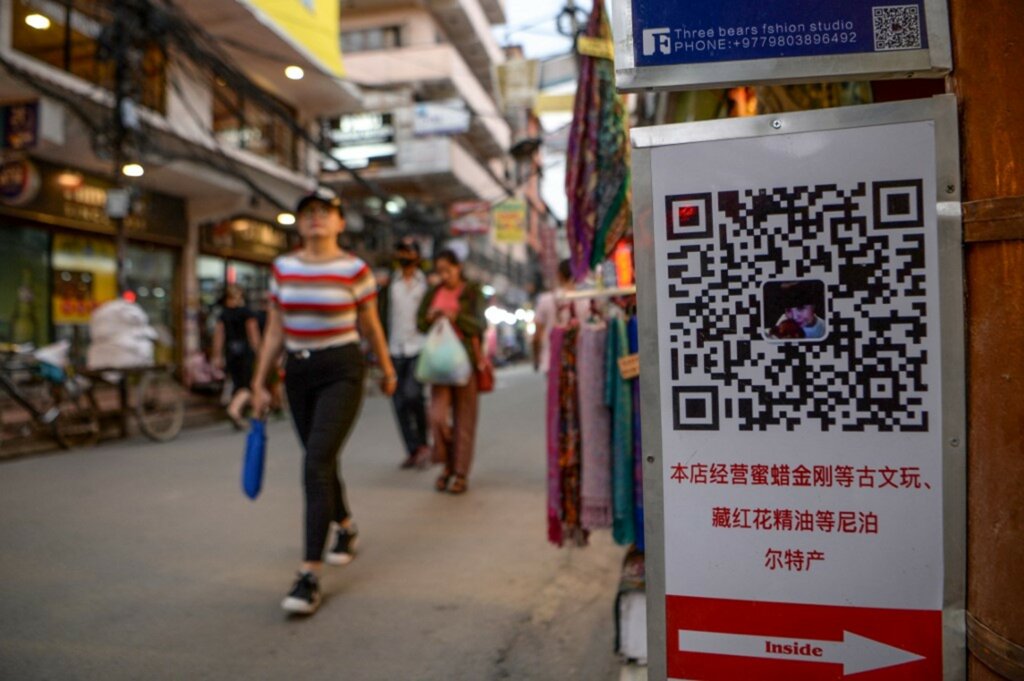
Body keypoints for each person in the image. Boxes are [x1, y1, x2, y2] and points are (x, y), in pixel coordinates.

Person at [249, 189, 397, 616]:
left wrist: (387, 371)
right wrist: (259, 381)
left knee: (315, 462)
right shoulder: (283, 269)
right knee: (321, 460)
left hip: (342, 370)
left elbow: (370, 325)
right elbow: (275, 330)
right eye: (308, 213)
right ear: (298, 223)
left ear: (339, 223)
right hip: (297, 372)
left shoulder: (355, 270)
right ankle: (346, 527)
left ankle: (308, 574)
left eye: (324, 212)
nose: (316, 218)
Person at [416, 249, 485, 495]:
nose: (444, 275)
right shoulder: (433, 292)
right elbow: (420, 324)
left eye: (448, 269)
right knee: (437, 417)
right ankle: (446, 464)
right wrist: (431, 316)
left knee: (465, 420)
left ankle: (460, 473)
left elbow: (479, 324)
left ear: (458, 267)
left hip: (464, 363)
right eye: (440, 270)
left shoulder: (471, 291)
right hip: (438, 364)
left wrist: (455, 316)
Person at [379, 239, 431, 469]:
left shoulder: (426, 285)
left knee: (413, 395)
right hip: (394, 348)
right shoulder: (390, 285)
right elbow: (380, 317)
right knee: (398, 402)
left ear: (417, 256)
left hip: (419, 347)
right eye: (401, 251)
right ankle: (413, 449)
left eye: (409, 252)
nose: (404, 256)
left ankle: (423, 442)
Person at [211, 285, 260, 429]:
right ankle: (234, 409)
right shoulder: (247, 313)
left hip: (231, 352)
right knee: (247, 384)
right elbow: (254, 336)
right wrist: (261, 353)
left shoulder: (223, 314)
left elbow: (218, 337)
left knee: (238, 383)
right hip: (245, 353)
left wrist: (217, 356)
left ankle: (238, 414)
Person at [533, 259, 590, 373]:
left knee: (555, 390)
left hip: (552, 360)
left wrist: (536, 357)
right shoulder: (588, 299)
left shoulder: (545, 300)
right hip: (583, 360)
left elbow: (537, 336)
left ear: (559, 275)